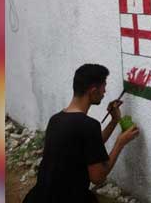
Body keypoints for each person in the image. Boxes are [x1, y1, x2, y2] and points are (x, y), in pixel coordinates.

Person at [23, 64, 140, 203]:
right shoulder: (88, 126)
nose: (104, 92)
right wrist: (120, 143)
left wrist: (114, 121)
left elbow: (88, 145)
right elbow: (98, 177)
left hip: (38, 197)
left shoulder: (56, 120)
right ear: (93, 90)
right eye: (104, 87)